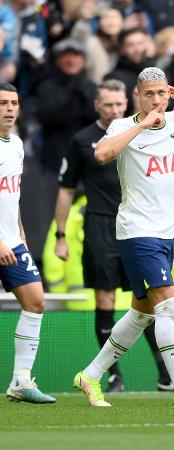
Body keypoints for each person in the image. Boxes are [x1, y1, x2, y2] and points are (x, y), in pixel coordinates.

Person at [73, 67, 174, 407]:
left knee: (142, 312)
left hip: (166, 233)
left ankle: (91, 375)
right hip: (136, 231)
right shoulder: (121, 126)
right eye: (149, 95)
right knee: (168, 302)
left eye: (161, 93)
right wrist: (141, 125)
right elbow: (100, 154)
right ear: (138, 97)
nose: (157, 100)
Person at [54, 79, 172, 393]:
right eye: (108, 104)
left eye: (119, 103)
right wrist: (61, 235)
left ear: (128, 101)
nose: (115, 109)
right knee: (105, 298)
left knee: (149, 298)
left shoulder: (147, 129)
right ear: (97, 105)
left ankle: (165, 374)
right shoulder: (83, 140)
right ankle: (113, 375)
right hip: (101, 225)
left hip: (140, 225)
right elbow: (66, 190)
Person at [0, 82, 55, 404]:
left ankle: (20, 381)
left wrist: (18, 229)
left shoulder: (17, 144)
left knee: (36, 301)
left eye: (14, 103)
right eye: (3, 103)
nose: (9, 108)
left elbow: (11, 193)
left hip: (12, 241)